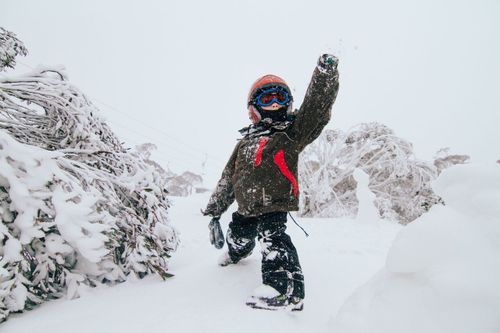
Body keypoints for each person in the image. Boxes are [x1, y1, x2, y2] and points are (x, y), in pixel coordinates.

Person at [202, 54, 340, 311]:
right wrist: (214, 212)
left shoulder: (291, 133)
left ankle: (284, 290)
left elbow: (315, 111)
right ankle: (234, 253)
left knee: (273, 239)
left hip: (274, 202)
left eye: (281, 98)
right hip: (246, 206)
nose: (275, 104)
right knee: (238, 234)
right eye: (267, 99)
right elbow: (227, 179)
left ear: (288, 104)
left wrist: (324, 75)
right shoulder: (244, 144)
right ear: (254, 106)